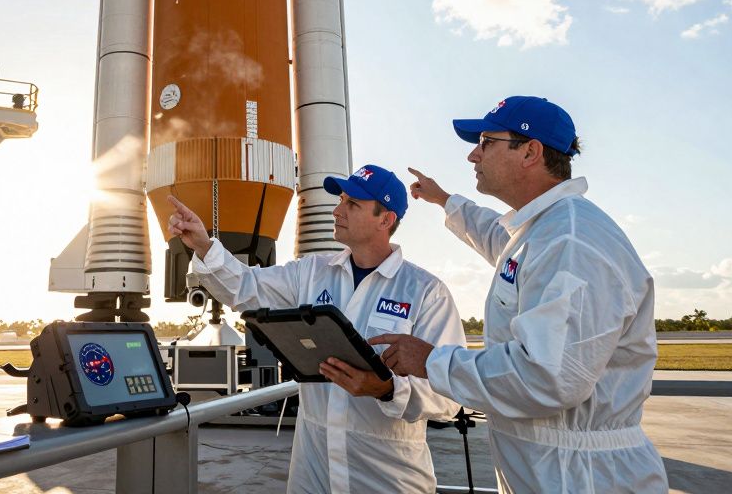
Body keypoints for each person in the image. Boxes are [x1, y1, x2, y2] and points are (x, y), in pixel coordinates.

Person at [369, 96, 668, 493]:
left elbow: (547, 376)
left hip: (580, 478)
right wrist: (445, 200)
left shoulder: (571, 241)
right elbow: (498, 236)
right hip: (551, 469)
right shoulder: (542, 231)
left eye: (486, 142)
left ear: (530, 151)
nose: (473, 156)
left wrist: (433, 361)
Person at [167, 165, 466, 494]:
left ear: (386, 219)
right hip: (313, 475)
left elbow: (448, 395)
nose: (337, 210)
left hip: (387, 479)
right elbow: (246, 287)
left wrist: (386, 389)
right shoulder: (311, 273)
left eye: (353, 204)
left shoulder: (425, 292)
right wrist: (204, 245)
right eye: (340, 200)